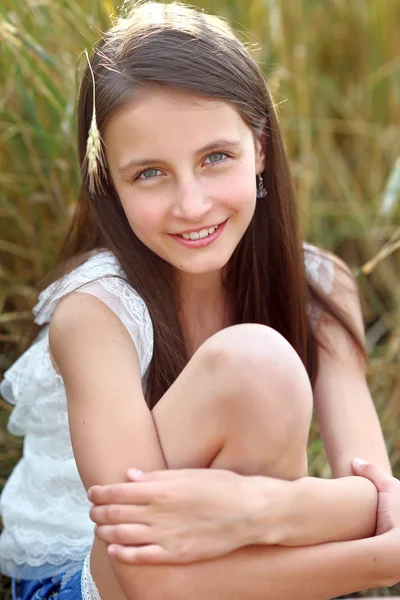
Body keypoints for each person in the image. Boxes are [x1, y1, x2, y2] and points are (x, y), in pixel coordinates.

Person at [0, 1, 399, 599]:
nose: (192, 205)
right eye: (149, 173)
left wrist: (258, 509)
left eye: (216, 158)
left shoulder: (318, 284)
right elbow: (145, 578)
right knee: (254, 366)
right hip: (85, 578)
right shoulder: (95, 313)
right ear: (110, 179)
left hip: (220, 564)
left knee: (256, 369)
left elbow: (376, 497)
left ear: (259, 147)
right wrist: (374, 561)